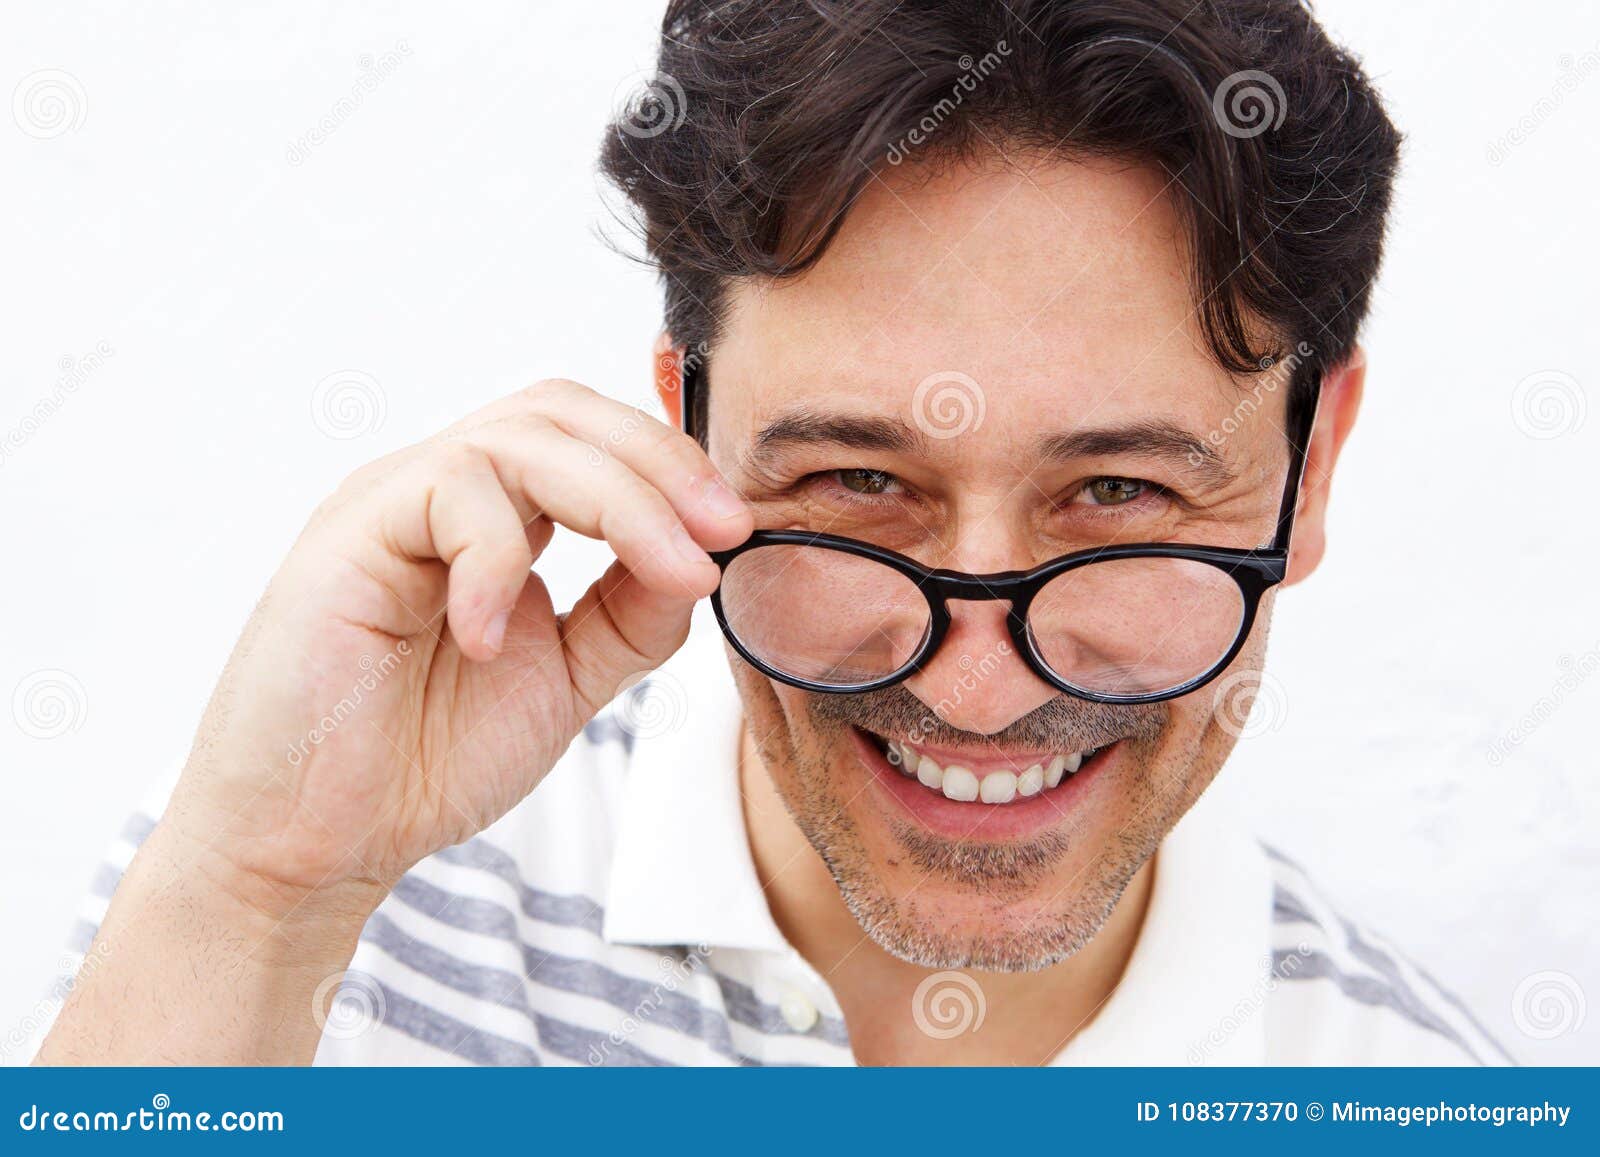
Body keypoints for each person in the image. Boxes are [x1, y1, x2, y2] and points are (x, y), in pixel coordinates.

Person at [35, 0, 1509, 1066]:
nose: (978, 690)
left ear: (1309, 472)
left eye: (1117, 494)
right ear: (686, 430)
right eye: (861, 485)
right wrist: (260, 893)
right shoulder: (315, 894)